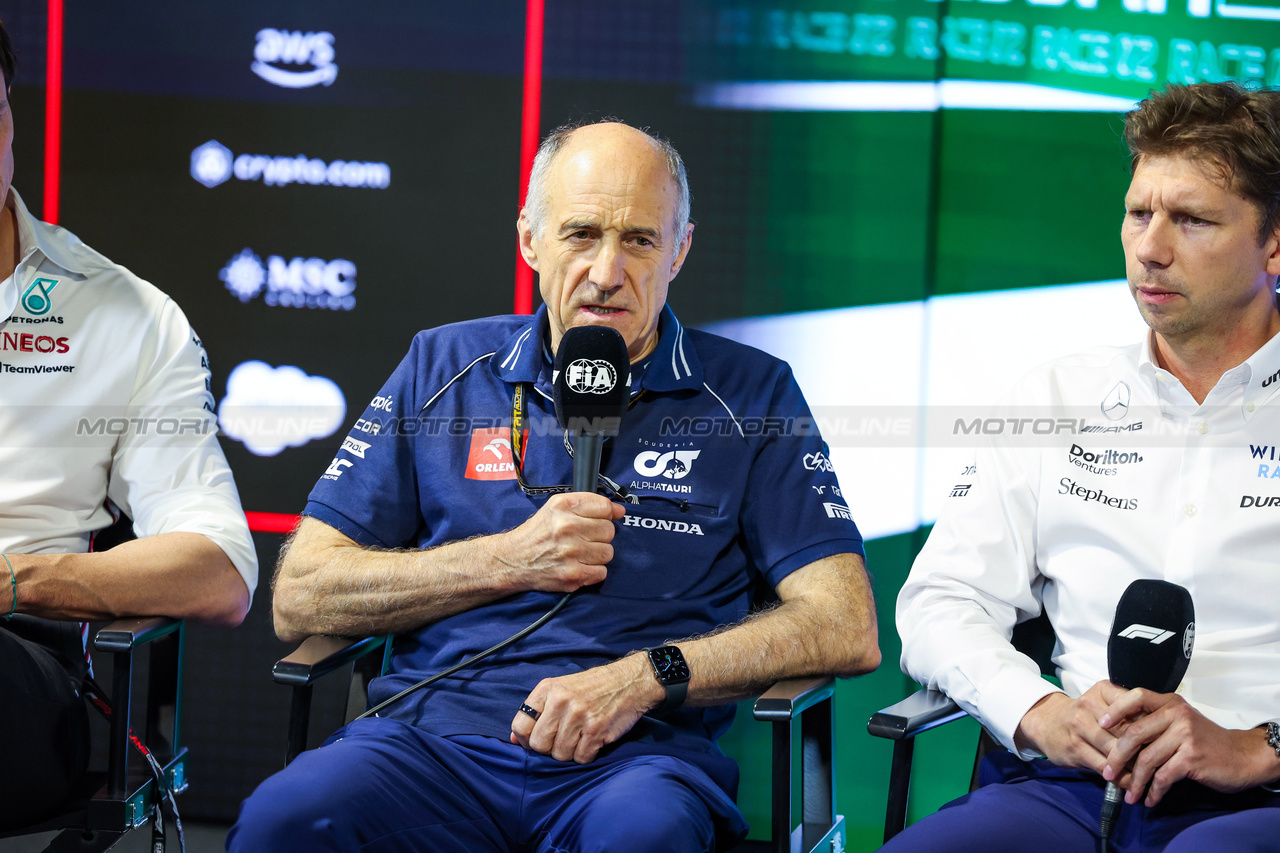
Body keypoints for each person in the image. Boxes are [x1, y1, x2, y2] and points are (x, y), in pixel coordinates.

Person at [228, 119, 879, 852]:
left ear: (680, 251)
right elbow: (303, 593)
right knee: (284, 821)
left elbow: (843, 622)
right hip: (430, 746)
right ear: (530, 240)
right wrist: (509, 559)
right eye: (580, 234)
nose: (607, 272)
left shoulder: (752, 394)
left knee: (643, 838)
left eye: (639, 239)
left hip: (637, 761)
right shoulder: (442, 366)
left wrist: (647, 675)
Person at [887, 82, 1280, 852]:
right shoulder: (1054, 396)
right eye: (1140, 214)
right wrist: (1039, 712)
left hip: (1258, 800)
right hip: (1071, 788)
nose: (1151, 247)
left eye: (1192, 219)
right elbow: (939, 602)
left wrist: (1255, 746)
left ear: (1274, 244)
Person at [0, 18, 258, 828]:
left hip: (20, 672)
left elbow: (218, 567)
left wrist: (16, 578)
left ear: (6, 116)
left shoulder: (128, 317)